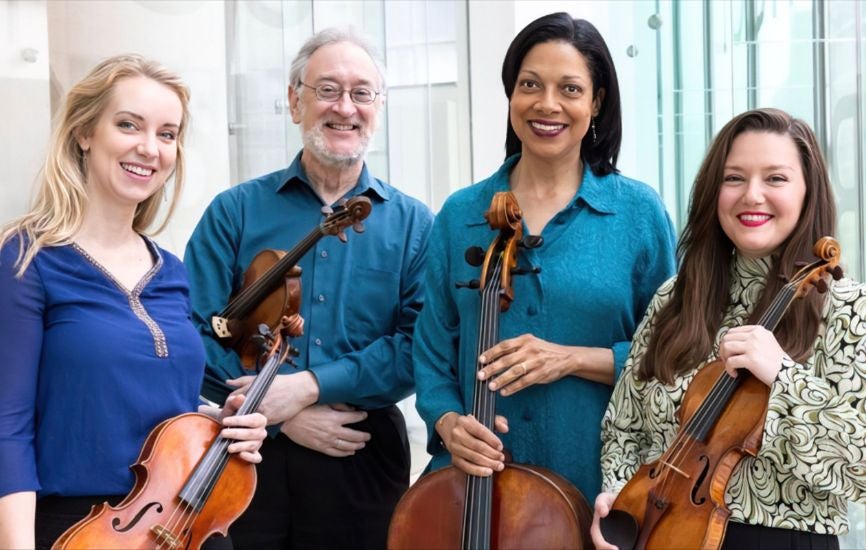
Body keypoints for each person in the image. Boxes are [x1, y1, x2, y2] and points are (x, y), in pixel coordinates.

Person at [0, 54, 268, 549]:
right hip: (81, 528)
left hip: (184, 525)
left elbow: (157, 408)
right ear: (84, 133)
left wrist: (218, 423)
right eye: (129, 125)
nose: (150, 148)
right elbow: (7, 425)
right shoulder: (26, 258)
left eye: (168, 134)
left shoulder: (170, 269)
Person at [184, 28, 434, 549]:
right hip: (242, 451)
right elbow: (194, 332)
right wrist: (276, 416)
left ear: (378, 107)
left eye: (362, 93)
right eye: (327, 89)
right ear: (296, 100)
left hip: (359, 447)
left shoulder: (414, 225)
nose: (345, 107)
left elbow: (417, 346)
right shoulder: (234, 212)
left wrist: (306, 388)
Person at [412, 12, 676, 504]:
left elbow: (674, 353)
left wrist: (571, 359)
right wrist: (447, 421)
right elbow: (431, 352)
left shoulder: (638, 213)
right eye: (530, 84)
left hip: (600, 487)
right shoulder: (460, 214)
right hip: (473, 493)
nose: (547, 104)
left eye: (570, 89)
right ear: (511, 94)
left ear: (596, 102)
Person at [591, 108, 866, 549]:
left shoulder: (848, 309)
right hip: (663, 535)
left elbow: (860, 468)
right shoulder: (674, 298)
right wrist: (621, 500)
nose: (752, 195)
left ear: (807, 192)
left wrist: (783, 377)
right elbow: (623, 428)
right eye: (734, 178)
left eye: (775, 179)